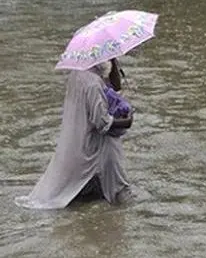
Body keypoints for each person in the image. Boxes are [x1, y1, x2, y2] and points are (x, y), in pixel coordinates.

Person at [15, 59, 134, 210]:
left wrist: (114, 60)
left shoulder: (77, 74)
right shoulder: (93, 84)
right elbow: (102, 123)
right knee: (122, 197)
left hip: (79, 146)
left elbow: (114, 85)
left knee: (83, 198)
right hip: (97, 148)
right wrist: (127, 121)